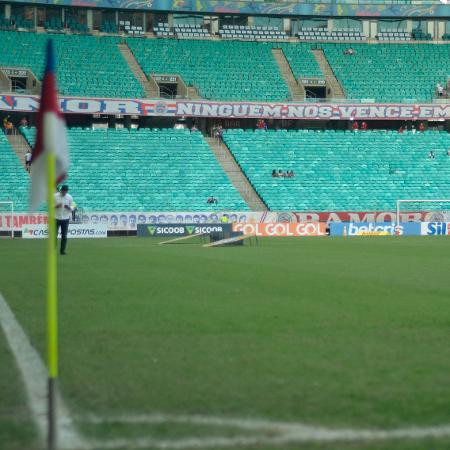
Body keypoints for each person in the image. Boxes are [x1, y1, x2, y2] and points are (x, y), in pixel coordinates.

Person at [55, 185, 73, 255]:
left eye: (65, 192)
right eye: (63, 191)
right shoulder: (55, 196)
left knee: (64, 236)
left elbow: (72, 208)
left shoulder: (70, 197)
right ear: (61, 190)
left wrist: (68, 207)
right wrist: (56, 206)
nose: (64, 193)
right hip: (55, 218)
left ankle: (62, 251)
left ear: (67, 191)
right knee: (54, 236)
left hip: (65, 218)